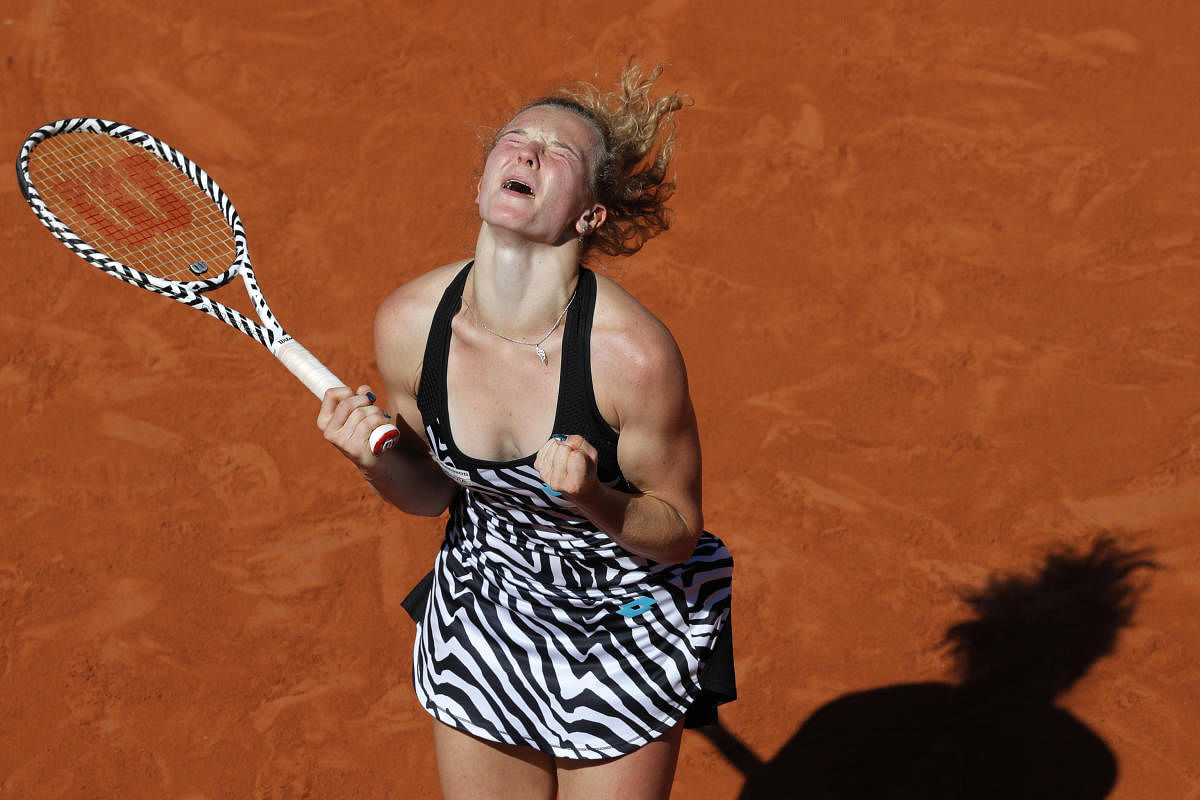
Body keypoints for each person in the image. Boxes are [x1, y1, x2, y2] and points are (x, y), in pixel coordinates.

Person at [317, 62, 734, 800]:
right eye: (515, 142)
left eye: (559, 153)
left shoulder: (629, 357)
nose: (529, 154)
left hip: (623, 621)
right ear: (481, 186)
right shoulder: (412, 324)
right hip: (489, 607)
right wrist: (374, 464)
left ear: (589, 216)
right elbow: (430, 495)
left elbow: (676, 529)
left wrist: (596, 501)